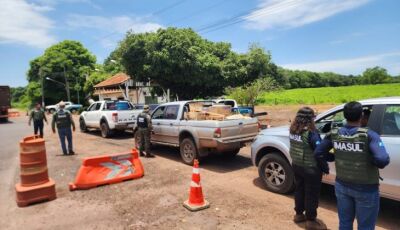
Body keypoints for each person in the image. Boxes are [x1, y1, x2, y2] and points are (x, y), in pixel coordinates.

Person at [315, 101, 390, 230]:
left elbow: (318, 153)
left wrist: (333, 157)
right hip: (366, 189)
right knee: (365, 226)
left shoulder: (334, 133)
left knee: (344, 223)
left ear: (345, 115)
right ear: (361, 115)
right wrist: (370, 161)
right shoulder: (370, 135)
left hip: (342, 185)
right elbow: (382, 160)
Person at [289, 107, 327, 230]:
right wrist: (324, 167)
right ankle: (311, 221)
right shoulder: (311, 133)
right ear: (310, 118)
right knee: (311, 194)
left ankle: (299, 215)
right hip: (310, 168)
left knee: (299, 190)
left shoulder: (293, 130)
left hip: (296, 165)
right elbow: (319, 153)